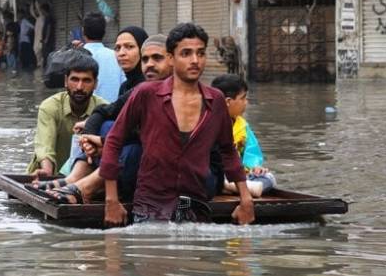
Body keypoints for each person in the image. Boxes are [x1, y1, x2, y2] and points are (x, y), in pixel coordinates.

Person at [100, 23, 255, 226]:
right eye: (186, 54)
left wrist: (245, 198)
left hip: (194, 203)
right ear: (172, 59)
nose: (194, 61)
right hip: (152, 203)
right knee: (156, 255)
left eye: (200, 54)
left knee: (189, 254)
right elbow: (114, 140)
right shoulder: (146, 94)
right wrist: (111, 199)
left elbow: (228, 151)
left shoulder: (215, 100)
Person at [35, 33, 174, 205]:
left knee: (130, 148)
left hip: (170, 170)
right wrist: (89, 138)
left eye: (157, 58)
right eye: (146, 59)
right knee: (107, 125)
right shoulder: (141, 89)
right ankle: (75, 179)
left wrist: (104, 141)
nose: (150, 65)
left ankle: (86, 187)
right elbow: (105, 112)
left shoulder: (179, 94)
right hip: (130, 162)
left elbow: (156, 136)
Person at [26, 55, 106, 178]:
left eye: (86, 80)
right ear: (65, 81)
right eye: (74, 79)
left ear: (95, 84)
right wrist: (47, 171)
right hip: (46, 174)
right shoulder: (49, 107)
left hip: (84, 178)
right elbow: (45, 145)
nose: (79, 87)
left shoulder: (105, 109)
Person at [211, 74, 276, 198]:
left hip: (240, 177)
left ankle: (229, 187)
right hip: (217, 174)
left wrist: (255, 167)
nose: (246, 102)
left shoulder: (242, 126)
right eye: (243, 98)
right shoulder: (209, 123)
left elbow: (252, 152)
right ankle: (227, 185)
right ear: (228, 102)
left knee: (269, 178)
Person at [80, 12, 125, 103]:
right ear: (104, 32)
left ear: (83, 31)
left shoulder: (75, 56)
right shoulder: (117, 57)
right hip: (113, 114)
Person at [40, 3, 56, 68]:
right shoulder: (46, 18)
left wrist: (46, 38)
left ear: (44, 10)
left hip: (48, 41)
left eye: (41, 10)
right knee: (45, 55)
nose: (41, 12)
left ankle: (48, 68)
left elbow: (49, 28)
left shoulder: (49, 17)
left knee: (47, 55)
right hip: (46, 41)